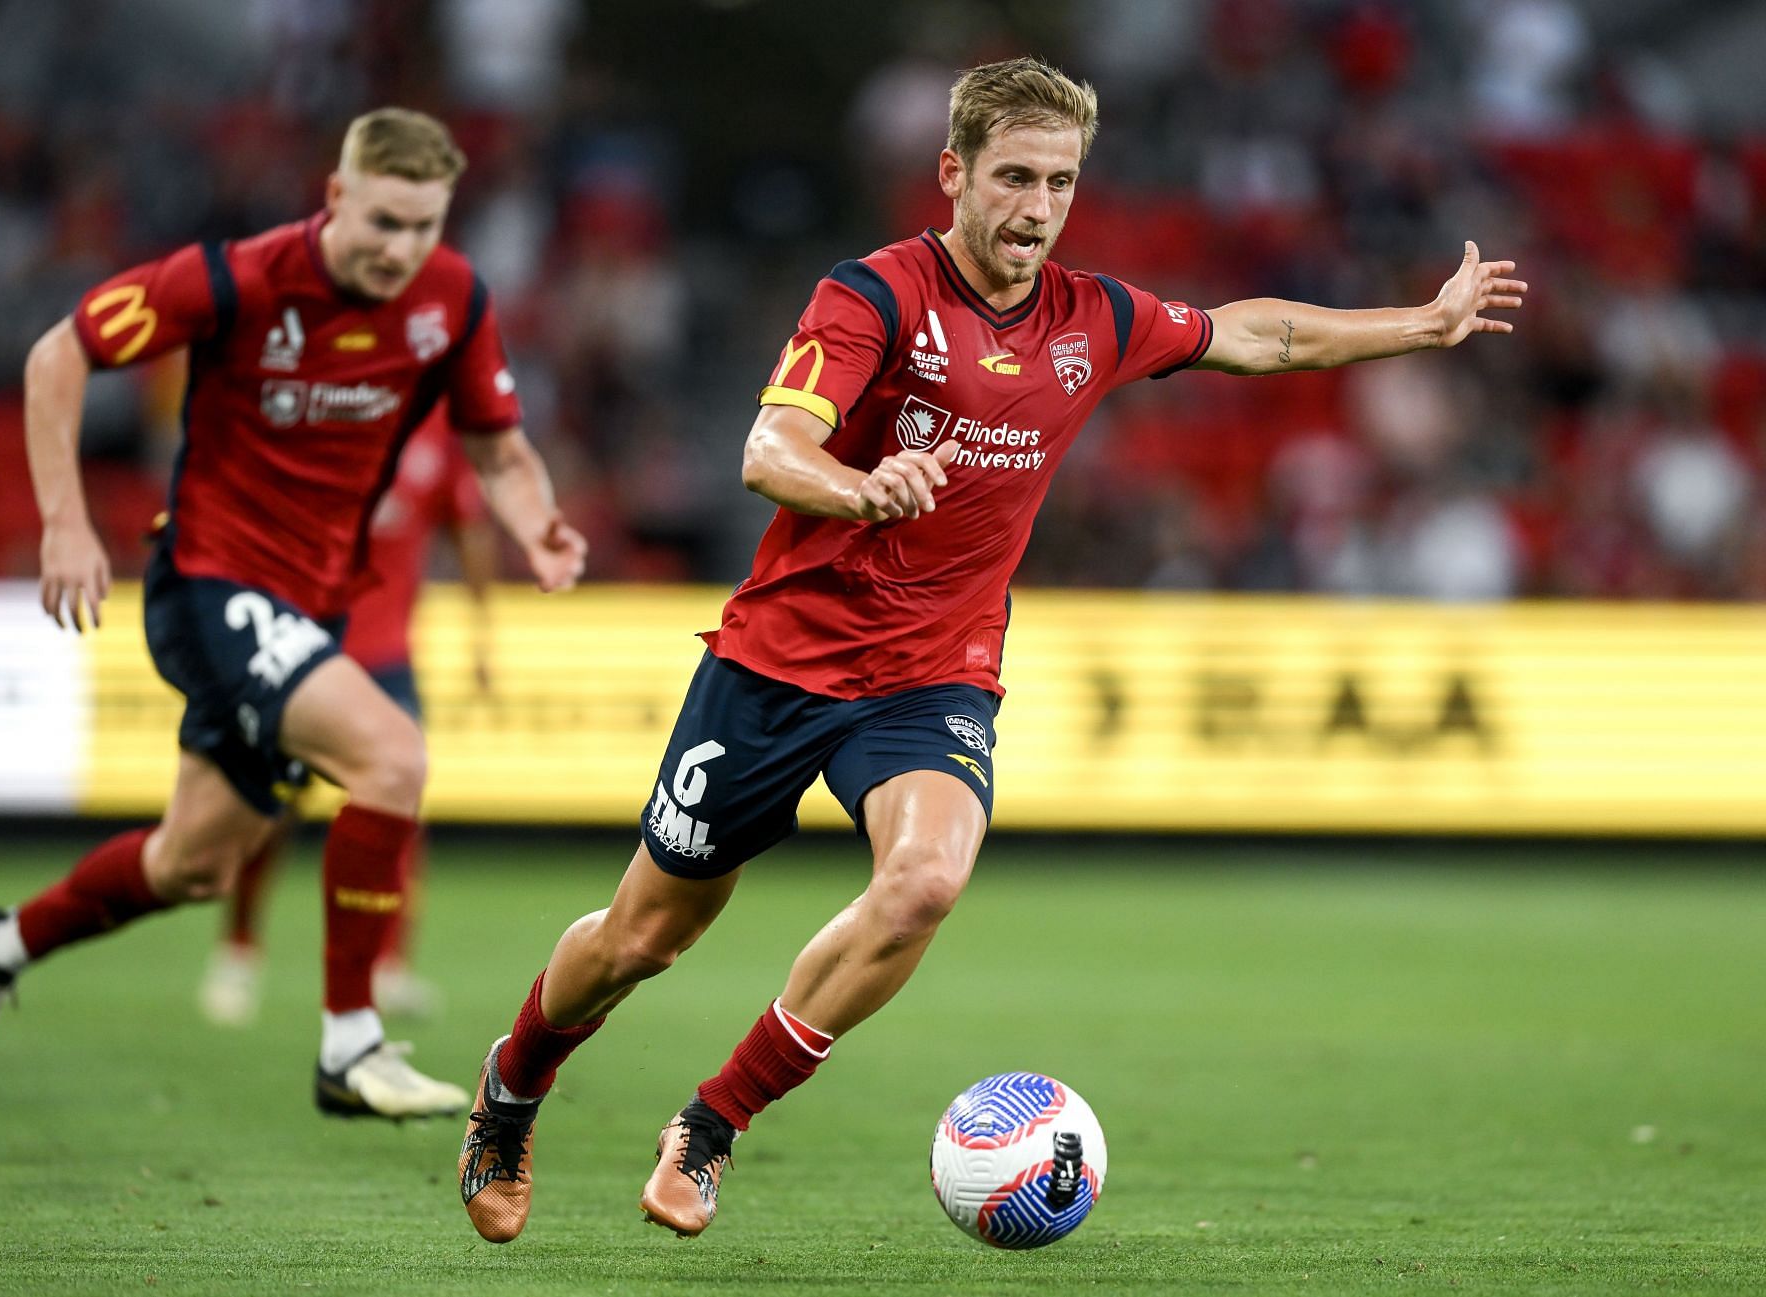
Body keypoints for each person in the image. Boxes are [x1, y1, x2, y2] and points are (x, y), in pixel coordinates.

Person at [456, 55, 1527, 1242]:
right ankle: (513, 1087)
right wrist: (860, 488)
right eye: (1013, 177)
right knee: (641, 938)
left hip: (931, 674)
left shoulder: (1096, 319)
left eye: (1059, 183)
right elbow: (768, 450)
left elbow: (1254, 337)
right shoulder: (873, 297)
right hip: (776, 664)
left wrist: (1422, 324)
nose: (1035, 208)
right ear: (954, 172)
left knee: (925, 880)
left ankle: (712, 1125)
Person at [0, 108, 587, 1120]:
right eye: (381, 222)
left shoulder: (452, 299)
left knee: (190, 862)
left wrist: (537, 521)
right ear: (334, 198)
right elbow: (56, 357)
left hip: (311, 610)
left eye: (422, 226)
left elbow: (497, 445)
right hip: (208, 582)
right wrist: (64, 522)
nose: (401, 248)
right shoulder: (236, 278)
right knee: (393, 756)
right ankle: (350, 1045)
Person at [199, 407, 497, 1027]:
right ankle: (239, 952)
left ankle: (387, 967)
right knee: (271, 811)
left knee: (400, 810)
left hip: (388, 657)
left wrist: (483, 632)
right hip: (305, 648)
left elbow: (467, 527)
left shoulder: (438, 435)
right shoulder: (326, 414)